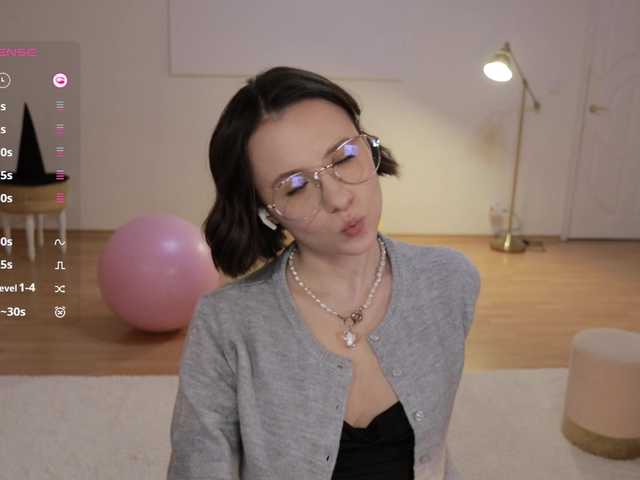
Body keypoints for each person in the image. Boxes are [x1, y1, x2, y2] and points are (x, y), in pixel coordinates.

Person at [167, 66, 481, 480]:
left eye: (345, 157)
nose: (338, 198)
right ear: (265, 213)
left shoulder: (450, 281)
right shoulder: (226, 324)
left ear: (369, 146)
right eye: (296, 187)